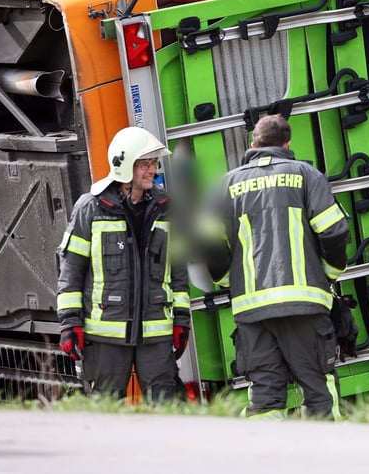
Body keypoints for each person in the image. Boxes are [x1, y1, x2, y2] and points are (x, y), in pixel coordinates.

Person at [202, 114, 350, 419]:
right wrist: (329, 273)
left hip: (252, 310)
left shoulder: (226, 184)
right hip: (304, 305)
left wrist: (228, 279)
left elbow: (207, 240)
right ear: (287, 144)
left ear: (253, 143)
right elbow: (334, 231)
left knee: (265, 397)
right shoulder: (306, 175)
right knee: (318, 389)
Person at [56, 126, 191, 401]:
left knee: (167, 408)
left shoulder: (168, 208)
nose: (152, 171)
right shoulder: (91, 208)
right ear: (124, 165)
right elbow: (70, 272)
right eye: (145, 164)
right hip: (105, 334)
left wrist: (181, 321)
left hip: (156, 332)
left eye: (153, 164)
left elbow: (178, 273)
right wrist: (70, 323)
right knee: (105, 409)